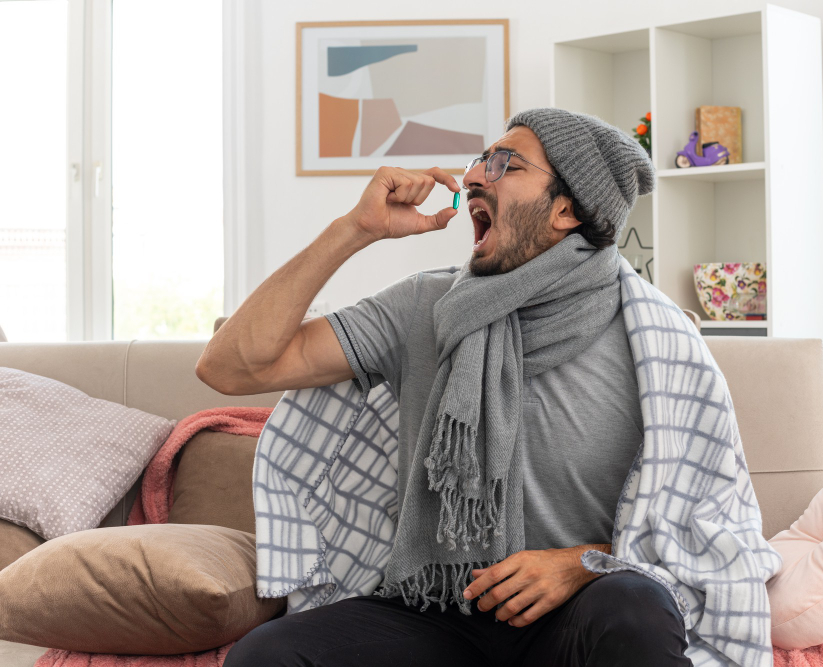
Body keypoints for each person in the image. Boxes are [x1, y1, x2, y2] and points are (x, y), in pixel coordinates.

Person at [198, 107, 691, 666]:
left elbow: (689, 528)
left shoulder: (650, 337)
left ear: (566, 209)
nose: (476, 174)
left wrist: (581, 564)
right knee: (268, 656)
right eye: (482, 158)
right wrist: (354, 230)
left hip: (575, 614)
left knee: (637, 605)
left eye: (507, 163)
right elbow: (232, 367)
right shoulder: (423, 306)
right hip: (435, 613)